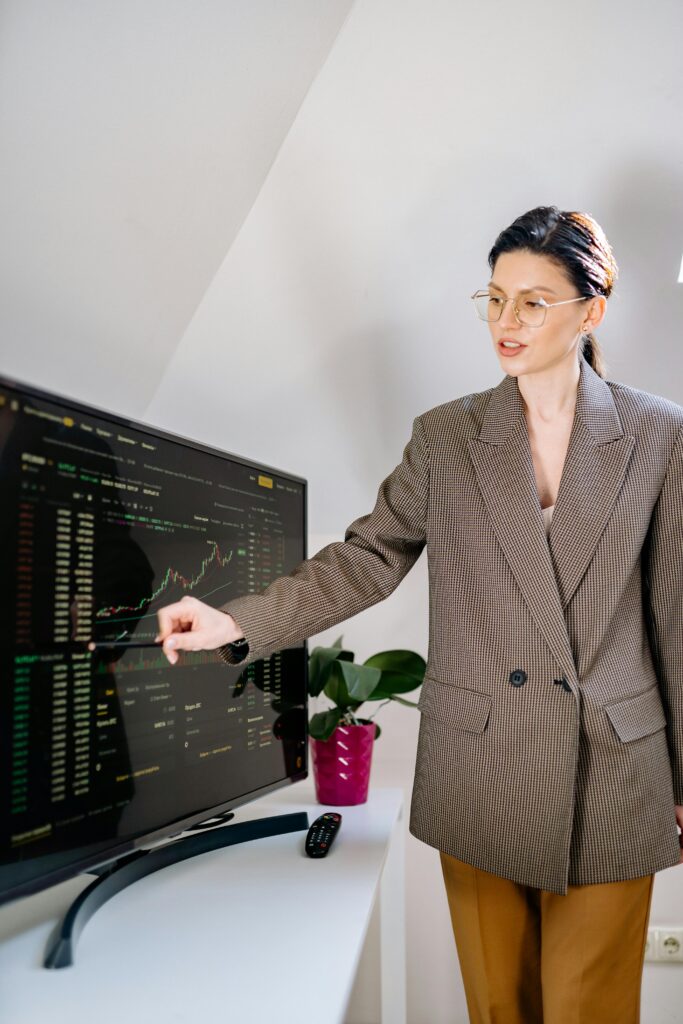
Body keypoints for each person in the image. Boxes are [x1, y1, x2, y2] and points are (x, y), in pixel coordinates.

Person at [155, 205, 683, 1023]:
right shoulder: (446, 437)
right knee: (496, 1011)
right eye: (495, 298)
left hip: (613, 770)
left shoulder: (659, 436)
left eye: (533, 302)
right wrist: (237, 623)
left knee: (591, 1010)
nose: (505, 323)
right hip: (481, 766)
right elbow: (366, 559)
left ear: (591, 311)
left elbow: (674, 617)